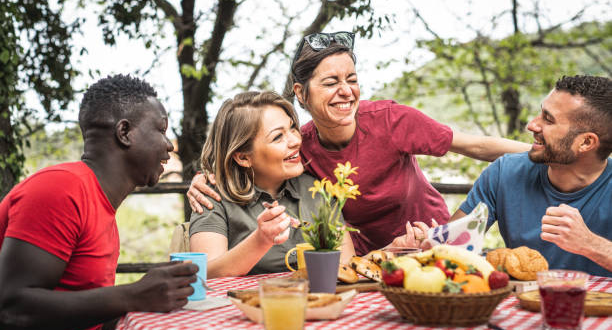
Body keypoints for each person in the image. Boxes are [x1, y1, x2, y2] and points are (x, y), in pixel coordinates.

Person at [188, 31, 529, 255]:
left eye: (351, 79)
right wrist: (206, 177)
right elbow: (253, 157)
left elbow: (476, 147)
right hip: (368, 262)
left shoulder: (391, 120)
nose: (346, 91)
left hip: (433, 243)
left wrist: (543, 153)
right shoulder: (300, 146)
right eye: (331, 82)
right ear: (301, 93)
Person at [0, 74, 199, 330]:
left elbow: (84, 315)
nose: (169, 145)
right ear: (125, 132)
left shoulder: (100, 205)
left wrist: (153, 299)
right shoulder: (61, 188)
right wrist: (133, 295)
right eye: (161, 130)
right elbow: (11, 308)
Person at [453, 75, 611, 276]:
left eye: (548, 119)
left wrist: (590, 243)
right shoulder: (504, 173)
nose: (532, 125)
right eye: (540, 113)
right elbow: (450, 246)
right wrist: (427, 241)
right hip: (520, 304)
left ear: (586, 143)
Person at [189, 91, 355, 277]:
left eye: (292, 128)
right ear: (243, 157)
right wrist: (261, 240)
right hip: (246, 304)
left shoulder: (316, 189)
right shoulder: (211, 197)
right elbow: (204, 274)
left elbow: (346, 267)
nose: (295, 141)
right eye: (278, 137)